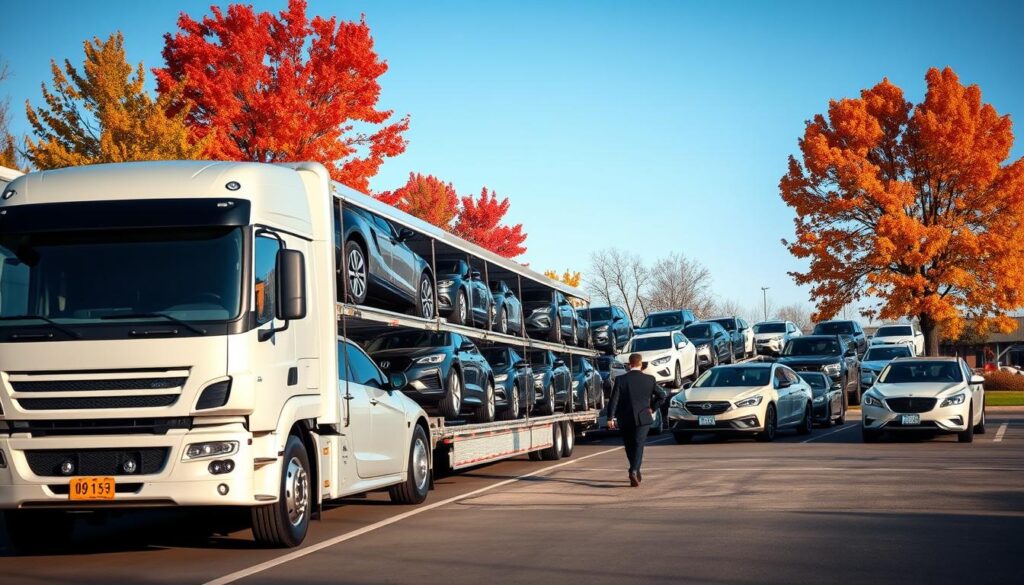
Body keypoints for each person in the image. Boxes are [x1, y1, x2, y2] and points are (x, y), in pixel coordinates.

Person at [607, 353, 666, 487]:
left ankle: (634, 470)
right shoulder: (650, 379)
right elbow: (662, 396)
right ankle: (634, 470)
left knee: (629, 445)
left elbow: (614, 400)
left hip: (625, 417)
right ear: (641, 364)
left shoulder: (620, 379)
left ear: (630, 364)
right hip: (643, 416)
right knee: (639, 444)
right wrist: (652, 408)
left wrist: (610, 417)